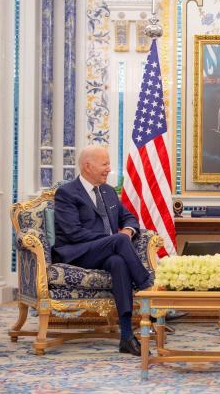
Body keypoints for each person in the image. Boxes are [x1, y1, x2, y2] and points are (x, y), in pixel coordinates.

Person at [53, 145, 153, 356]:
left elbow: (129, 218)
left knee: (118, 262)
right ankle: (149, 289)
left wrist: (127, 230)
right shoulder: (66, 193)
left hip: (105, 252)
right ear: (88, 166)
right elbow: (73, 233)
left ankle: (126, 336)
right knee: (118, 242)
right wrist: (113, 240)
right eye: (105, 164)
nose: (109, 169)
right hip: (76, 252)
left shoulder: (108, 191)